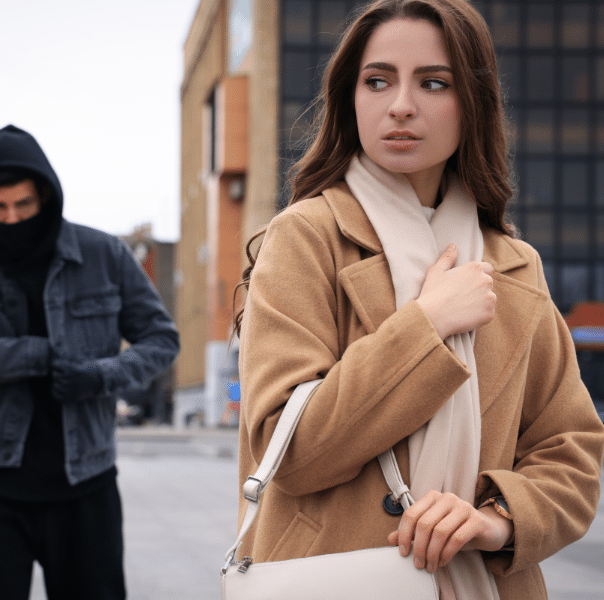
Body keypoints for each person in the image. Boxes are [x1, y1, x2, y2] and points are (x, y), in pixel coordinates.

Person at [232, 1, 604, 599]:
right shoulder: (304, 237)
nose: (401, 104)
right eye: (377, 81)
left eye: (434, 82)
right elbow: (290, 452)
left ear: (472, 104)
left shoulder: (513, 265)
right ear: (351, 99)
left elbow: (571, 451)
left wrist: (496, 518)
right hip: (333, 579)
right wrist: (427, 327)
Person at [0, 124, 180, 600]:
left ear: (45, 196)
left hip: (86, 487)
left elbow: (161, 340)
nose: (12, 219)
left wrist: (97, 376)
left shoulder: (103, 254)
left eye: (23, 205)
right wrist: (35, 354)